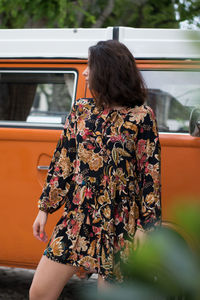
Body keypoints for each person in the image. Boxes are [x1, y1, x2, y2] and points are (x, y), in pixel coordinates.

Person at [29, 40, 161, 300]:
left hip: (121, 225)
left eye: (90, 65)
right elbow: (63, 161)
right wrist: (44, 208)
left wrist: (147, 228)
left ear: (107, 70)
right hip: (77, 219)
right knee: (39, 293)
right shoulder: (81, 110)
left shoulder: (142, 116)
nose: (86, 72)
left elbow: (150, 175)